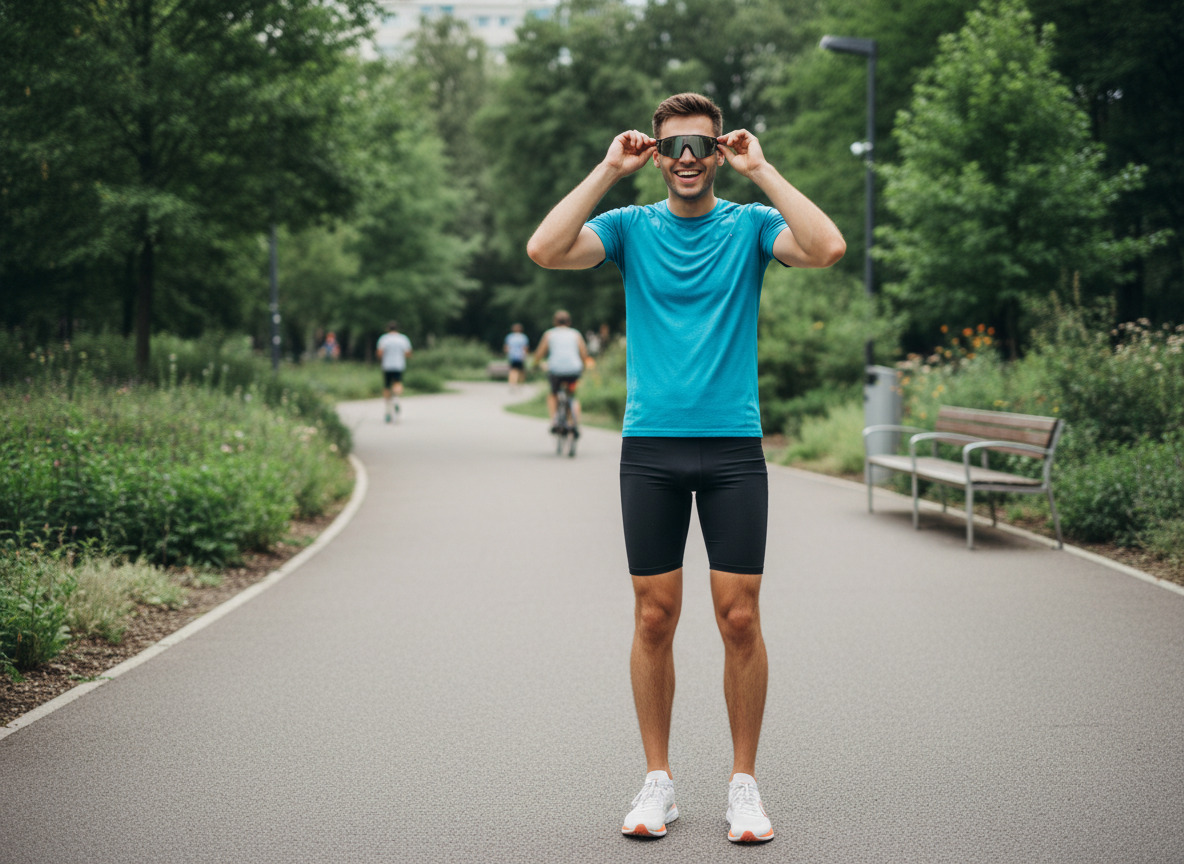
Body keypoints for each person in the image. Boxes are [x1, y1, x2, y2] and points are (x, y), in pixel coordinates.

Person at [526, 92, 845, 843]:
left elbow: (827, 247)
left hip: (733, 446)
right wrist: (608, 169)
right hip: (652, 448)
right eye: (675, 147)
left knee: (739, 618)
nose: (690, 160)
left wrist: (762, 169)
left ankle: (743, 786)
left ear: (719, 150)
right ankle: (658, 784)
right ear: (657, 155)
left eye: (703, 145)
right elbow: (544, 249)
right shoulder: (629, 228)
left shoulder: (751, 225)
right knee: (653, 616)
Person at [532, 310, 593, 435]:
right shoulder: (575, 334)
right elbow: (584, 354)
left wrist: (537, 363)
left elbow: (539, 353)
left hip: (556, 370)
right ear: (569, 322)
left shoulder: (549, 334)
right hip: (574, 370)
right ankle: (574, 423)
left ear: (555, 322)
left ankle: (554, 421)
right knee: (572, 395)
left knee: (553, 394)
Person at [376, 320, 412, 423]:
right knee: (398, 383)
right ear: (397, 328)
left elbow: (379, 353)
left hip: (387, 366)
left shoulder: (384, 339)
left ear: (388, 329)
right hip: (399, 365)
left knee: (387, 386)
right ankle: (396, 399)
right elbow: (408, 353)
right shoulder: (403, 339)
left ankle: (388, 410)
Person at [503, 323, 530, 390]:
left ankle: (512, 383)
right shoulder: (523, 337)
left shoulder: (509, 337)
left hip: (512, 356)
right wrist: (525, 355)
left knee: (513, 371)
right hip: (520, 356)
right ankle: (520, 384)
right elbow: (525, 348)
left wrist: (508, 353)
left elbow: (506, 347)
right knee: (521, 371)